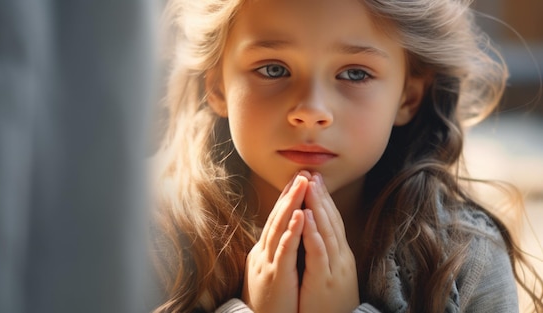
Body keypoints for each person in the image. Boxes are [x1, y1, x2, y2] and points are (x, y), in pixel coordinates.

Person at [148, 0, 543, 312]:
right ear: (216, 84)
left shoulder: (466, 265)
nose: (311, 109)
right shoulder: (149, 242)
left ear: (409, 95)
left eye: (354, 74)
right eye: (272, 69)